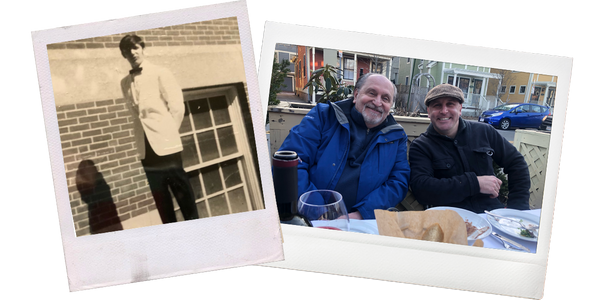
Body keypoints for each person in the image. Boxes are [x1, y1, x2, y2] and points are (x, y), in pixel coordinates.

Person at [277, 73, 410, 220]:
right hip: (310, 217)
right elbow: (290, 164)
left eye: (385, 98)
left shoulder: (397, 137)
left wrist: (361, 214)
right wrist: (320, 212)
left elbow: (398, 182)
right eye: (371, 93)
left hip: (362, 222)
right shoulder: (324, 116)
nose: (378, 102)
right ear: (356, 94)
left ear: (390, 106)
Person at [408, 83, 530, 213]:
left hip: (491, 215)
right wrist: (475, 184)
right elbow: (422, 189)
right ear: (429, 111)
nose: (444, 111)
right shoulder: (421, 146)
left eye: (450, 104)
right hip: (449, 219)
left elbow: (516, 163)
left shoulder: (484, 132)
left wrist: (517, 209)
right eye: (437, 105)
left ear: (460, 109)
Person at [119, 34, 199, 224]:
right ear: (124, 55)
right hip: (145, 149)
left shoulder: (160, 72)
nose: (132, 53)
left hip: (166, 143)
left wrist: (168, 133)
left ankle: (197, 229)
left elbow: (177, 106)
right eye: (127, 51)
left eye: (135, 48)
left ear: (142, 48)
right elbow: (134, 113)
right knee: (161, 200)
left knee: (183, 195)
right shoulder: (124, 83)